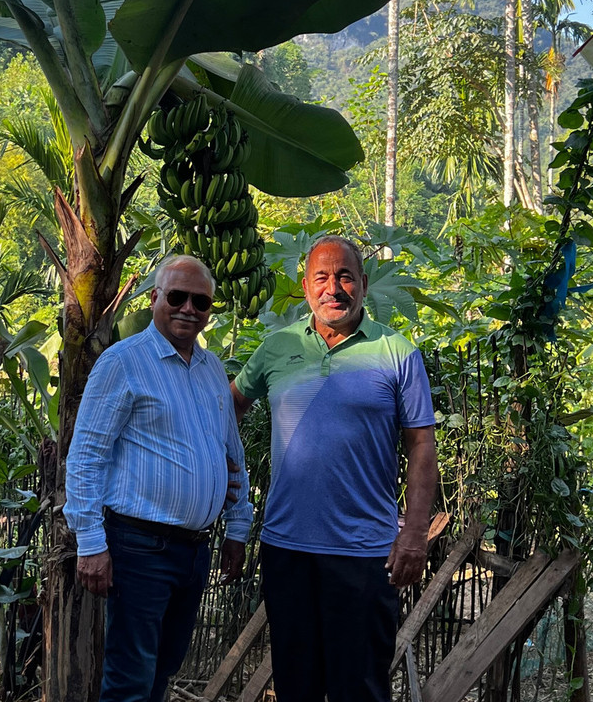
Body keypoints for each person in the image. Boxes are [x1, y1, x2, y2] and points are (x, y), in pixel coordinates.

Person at [231, 235, 438, 702]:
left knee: (360, 687)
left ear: (363, 284)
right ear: (305, 287)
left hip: (365, 552)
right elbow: (229, 408)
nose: (334, 288)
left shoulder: (397, 353)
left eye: (345, 276)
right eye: (321, 277)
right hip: (287, 548)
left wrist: (415, 533)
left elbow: (421, 445)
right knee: (295, 684)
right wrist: (223, 474)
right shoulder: (276, 347)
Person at [65, 254, 254, 702]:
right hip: (138, 547)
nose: (189, 308)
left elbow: (231, 453)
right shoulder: (122, 363)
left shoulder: (211, 369)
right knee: (131, 679)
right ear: (154, 299)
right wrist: (91, 544)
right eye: (177, 297)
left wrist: (238, 526)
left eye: (200, 301)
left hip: (193, 550)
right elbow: (86, 456)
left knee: (164, 670)